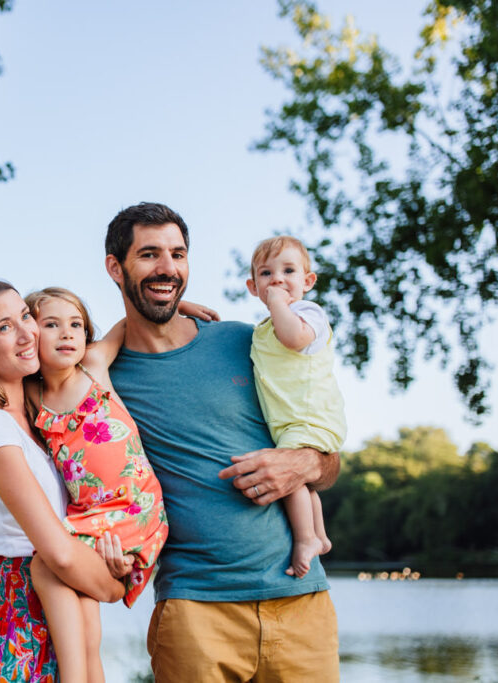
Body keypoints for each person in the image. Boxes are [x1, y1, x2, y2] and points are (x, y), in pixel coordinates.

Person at [103, 202, 341, 681]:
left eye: (178, 254)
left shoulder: (248, 342)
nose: (168, 268)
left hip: (301, 602)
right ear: (115, 267)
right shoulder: (101, 376)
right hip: (195, 609)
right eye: (149, 254)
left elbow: (327, 459)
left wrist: (302, 465)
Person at [0, 280, 132, 683]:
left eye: (26, 316)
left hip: (66, 606)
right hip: (17, 621)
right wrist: (116, 588)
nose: (27, 332)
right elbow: (57, 553)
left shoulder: (37, 416)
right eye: (4, 327)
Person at [22, 287, 170, 683]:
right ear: (29, 334)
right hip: (87, 514)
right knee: (80, 592)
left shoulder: (92, 366)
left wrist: (180, 307)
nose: (67, 334)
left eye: (76, 325)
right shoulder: (31, 396)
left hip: (134, 507)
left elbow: (129, 325)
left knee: (46, 562)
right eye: (51, 325)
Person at [246, 235, 346, 578]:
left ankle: (304, 539)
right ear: (252, 287)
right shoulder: (263, 329)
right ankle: (318, 534)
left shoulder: (307, 313)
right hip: (291, 421)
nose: (276, 279)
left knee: (291, 478)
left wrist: (278, 304)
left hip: (310, 415)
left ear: (308, 281)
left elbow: (294, 338)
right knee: (303, 484)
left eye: (288, 270)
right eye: (266, 274)